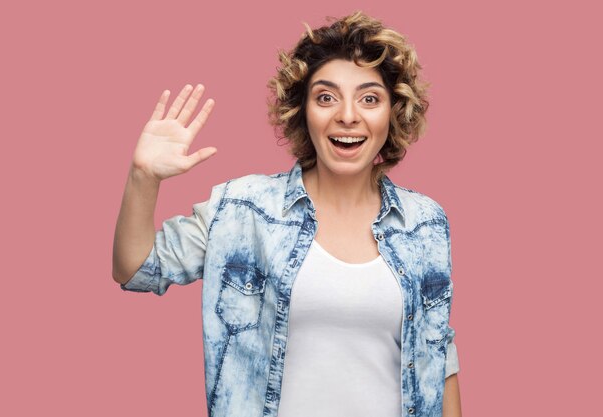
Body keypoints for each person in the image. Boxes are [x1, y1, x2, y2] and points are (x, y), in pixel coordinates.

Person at [113, 10, 462, 417]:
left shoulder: (426, 222)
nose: (347, 116)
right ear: (303, 112)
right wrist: (143, 178)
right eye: (326, 97)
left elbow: (438, 355)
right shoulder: (243, 209)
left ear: (393, 112)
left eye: (369, 98)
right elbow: (136, 269)